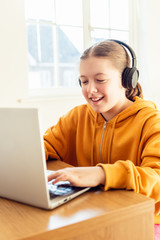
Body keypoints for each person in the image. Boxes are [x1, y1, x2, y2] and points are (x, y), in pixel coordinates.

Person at [44, 39, 160, 224]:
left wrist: (101, 174)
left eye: (100, 80)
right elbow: (45, 146)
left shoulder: (151, 122)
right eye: (84, 81)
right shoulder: (77, 116)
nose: (90, 89)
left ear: (127, 80)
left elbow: (156, 180)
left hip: (140, 220)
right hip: (91, 213)